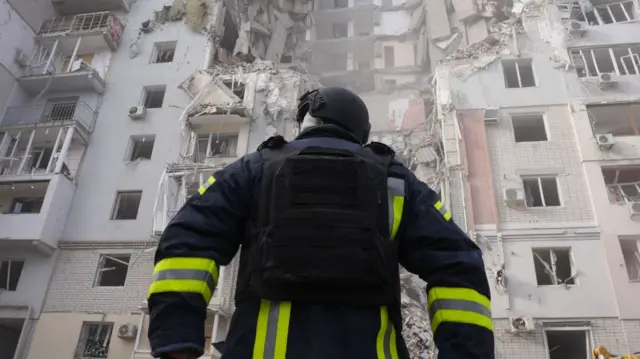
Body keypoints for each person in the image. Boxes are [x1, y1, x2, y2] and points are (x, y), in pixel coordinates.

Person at [147, 87, 495, 359]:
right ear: (360, 130)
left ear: (306, 122)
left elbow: (188, 238)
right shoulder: (395, 182)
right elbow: (458, 265)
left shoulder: (254, 170)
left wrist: (177, 336)